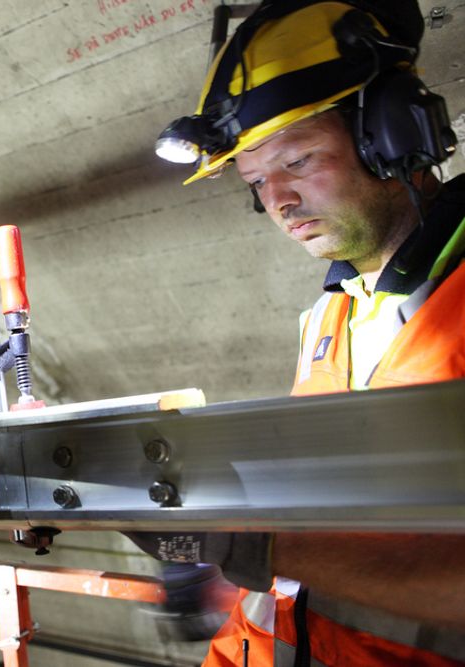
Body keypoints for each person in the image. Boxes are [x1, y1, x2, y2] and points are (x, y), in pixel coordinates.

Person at [134, 0, 465, 664]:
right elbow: (299, 582)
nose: (277, 202)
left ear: (390, 132)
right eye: (257, 182)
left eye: (296, 160)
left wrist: (249, 544)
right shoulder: (329, 320)